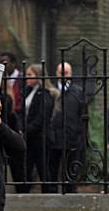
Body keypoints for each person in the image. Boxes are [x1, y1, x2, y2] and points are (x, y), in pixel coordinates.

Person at [15, 64, 57, 193]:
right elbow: (21, 112)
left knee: (43, 169)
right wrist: (21, 128)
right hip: (28, 137)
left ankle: (49, 194)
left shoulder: (45, 94)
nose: (26, 78)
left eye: (29, 75)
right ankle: (23, 193)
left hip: (41, 138)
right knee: (26, 168)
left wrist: (26, 131)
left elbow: (41, 118)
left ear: (38, 76)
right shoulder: (27, 91)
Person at [49, 61, 85, 193]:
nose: (63, 75)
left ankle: (70, 195)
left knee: (70, 172)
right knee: (51, 171)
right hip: (52, 138)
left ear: (71, 74)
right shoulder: (50, 91)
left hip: (71, 138)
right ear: (56, 74)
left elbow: (83, 116)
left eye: (66, 72)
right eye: (61, 72)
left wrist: (80, 136)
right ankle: (51, 196)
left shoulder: (78, 92)